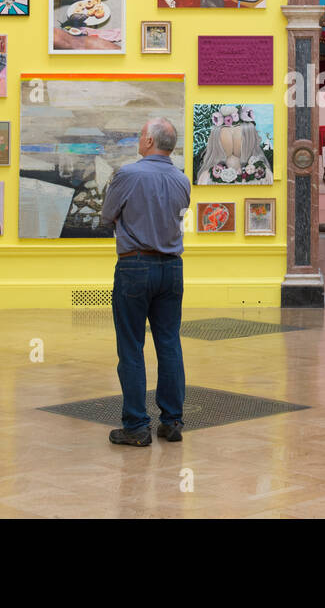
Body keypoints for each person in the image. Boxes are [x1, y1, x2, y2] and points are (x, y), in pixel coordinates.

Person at [99, 117, 191, 447]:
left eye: (140, 135)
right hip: (172, 269)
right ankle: (172, 421)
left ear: (150, 142)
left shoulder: (127, 175)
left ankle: (137, 425)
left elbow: (107, 216)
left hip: (135, 267)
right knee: (169, 344)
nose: (138, 140)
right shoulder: (182, 180)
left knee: (131, 347)